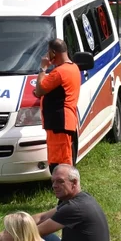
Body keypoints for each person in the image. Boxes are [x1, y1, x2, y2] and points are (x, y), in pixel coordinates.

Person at [0, 165, 110, 241]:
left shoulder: (75, 208)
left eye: (60, 181)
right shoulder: (79, 198)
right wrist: (7, 231)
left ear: (74, 183)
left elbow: (31, 234)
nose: (54, 186)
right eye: (53, 181)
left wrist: (4, 237)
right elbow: (42, 217)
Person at [32, 38, 81, 174]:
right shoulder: (73, 68)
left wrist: (43, 68)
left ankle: (66, 191)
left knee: (59, 164)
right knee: (64, 159)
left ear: (53, 53)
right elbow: (45, 90)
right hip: (65, 121)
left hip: (58, 123)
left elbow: (40, 89)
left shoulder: (59, 72)